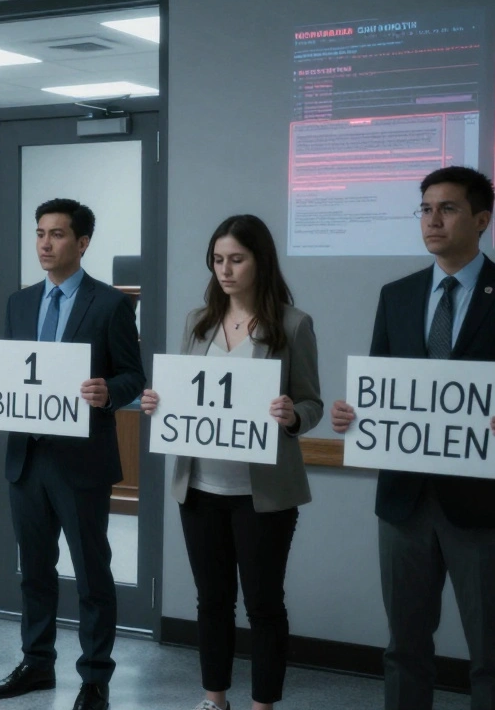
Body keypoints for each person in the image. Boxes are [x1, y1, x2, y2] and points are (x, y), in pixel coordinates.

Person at [330, 166, 495, 710]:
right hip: (403, 502)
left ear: (482, 219)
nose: (433, 220)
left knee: (492, 652)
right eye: (425, 209)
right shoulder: (397, 295)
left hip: (485, 504)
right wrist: (353, 414)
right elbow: (382, 386)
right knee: (404, 648)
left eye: (448, 209)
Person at [140, 215, 321, 710]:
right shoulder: (198, 322)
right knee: (212, 602)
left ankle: (264, 703)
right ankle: (213, 697)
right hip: (198, 488)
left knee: (264, 605)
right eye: (218, 260)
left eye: (236, 259)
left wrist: (291, 416)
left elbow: (312, 404)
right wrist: (158, 401)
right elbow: (182, 393)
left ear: (260, 261)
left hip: (262, 495)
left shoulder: (292, 324)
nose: (225, 269)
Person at [0, 198, 145, 710]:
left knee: (92, 573)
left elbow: (133, 376)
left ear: (82, 242)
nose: (45, 244)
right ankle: (37, 664)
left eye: (58, 234)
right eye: (40, 233)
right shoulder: (20, 302)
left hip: (81, 460)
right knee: (36, 570)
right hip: (26, 458)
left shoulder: (111, 304)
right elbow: (12, 370)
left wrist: (107, 392)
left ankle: (94, 677)